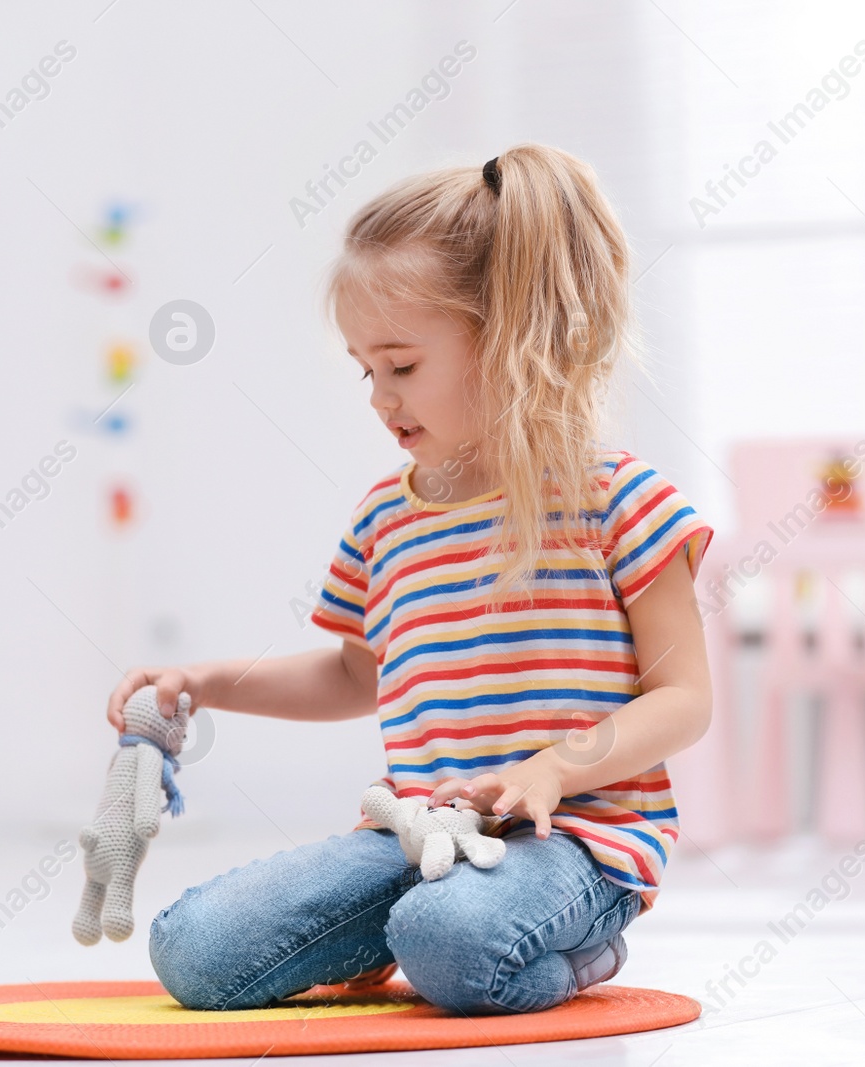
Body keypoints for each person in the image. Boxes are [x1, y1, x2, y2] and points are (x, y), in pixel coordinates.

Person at [106, 143, 716, 1016]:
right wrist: (202, 684)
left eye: (402, 365)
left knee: (453, 942)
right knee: (195, 953)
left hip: (577, 841)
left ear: (512, 341)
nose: (378, 397)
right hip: (418, 832)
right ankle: (405, 931)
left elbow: (684, 699)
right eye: (365, 369)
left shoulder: (622, 500)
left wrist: (553, 766)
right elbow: (356, 672)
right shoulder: (386, 518)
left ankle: (583, 953)